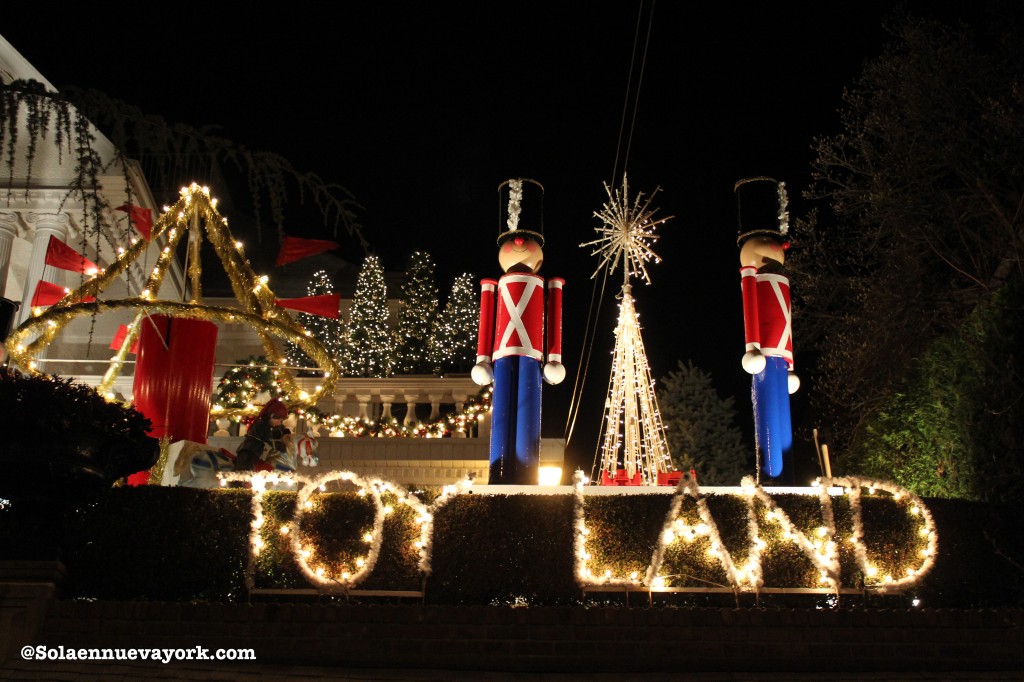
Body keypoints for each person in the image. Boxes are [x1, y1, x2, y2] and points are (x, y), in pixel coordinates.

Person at [472, 178, 564, 484]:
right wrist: (483, 358)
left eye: (526, 240)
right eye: (513, 240)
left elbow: (553, 314)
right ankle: (498, 477)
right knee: (502, 414)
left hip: (532, 354)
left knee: (527, 413)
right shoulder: (493, 286)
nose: (519, 245)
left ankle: (525, 476)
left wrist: (554, 356)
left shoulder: (547, 285)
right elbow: (487, 314)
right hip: (502, 354)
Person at [234, 398, 289, 471]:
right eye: (279, 420)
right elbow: (269, 440)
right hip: (249, 452)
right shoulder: (262, 425)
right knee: (245, 473)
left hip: (256, 452)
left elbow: (277, 434)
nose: (279, 423)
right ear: (272, 416)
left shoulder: (269, 426)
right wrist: (285, 448)